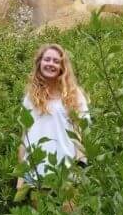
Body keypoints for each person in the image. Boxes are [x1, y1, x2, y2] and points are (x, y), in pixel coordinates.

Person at [16, 43, 90, 200]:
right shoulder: (30, 97)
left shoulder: (74, 95)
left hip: (66, 173)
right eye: (47, 59)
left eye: (56, 61)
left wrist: (79, 167)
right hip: (35, 175)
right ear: (39, 63)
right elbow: (25, 137)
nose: (50, 64)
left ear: (62, 67)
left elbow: (83, 133)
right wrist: (21, 175)